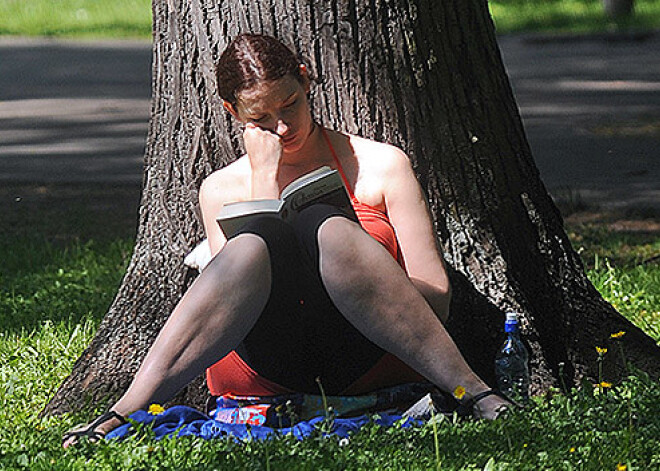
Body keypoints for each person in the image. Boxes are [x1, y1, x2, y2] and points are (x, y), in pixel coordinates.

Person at [62, 33, 510, 447]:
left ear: (306, 79)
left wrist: (363, 268)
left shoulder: (382, 165)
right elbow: (237, 307)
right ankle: (124, 411)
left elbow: (437, 300)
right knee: (250, 247)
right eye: (260, 117)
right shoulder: (220, 189)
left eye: (290, 105)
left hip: (369, 346)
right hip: (273, 358)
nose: (281, 128)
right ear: (232, 112)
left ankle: (474, 391)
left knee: (328, 225)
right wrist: (264, 178)